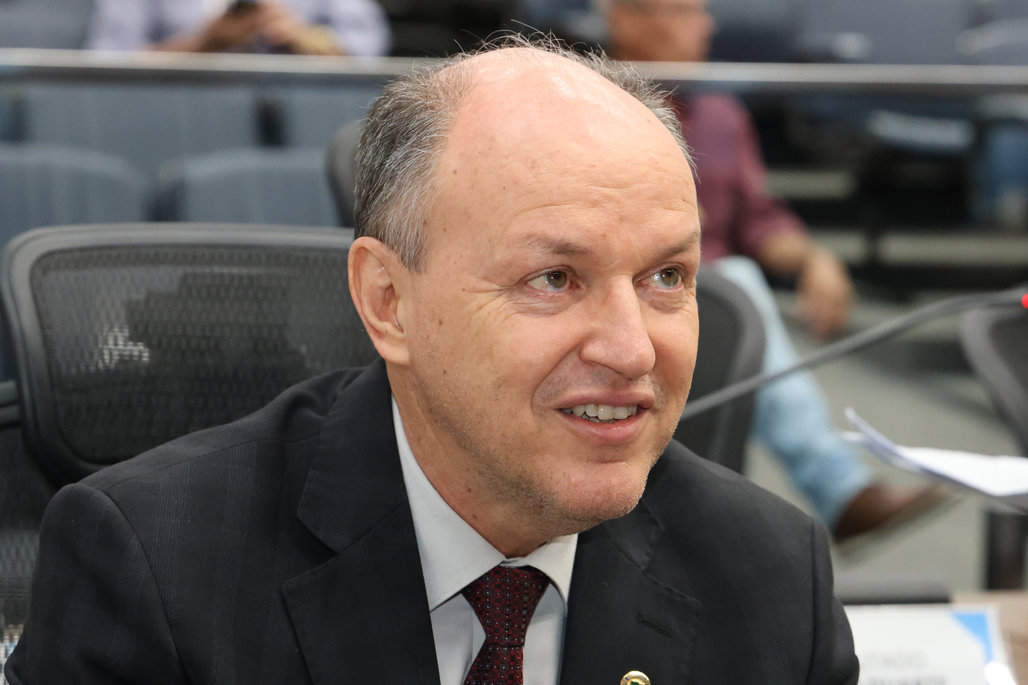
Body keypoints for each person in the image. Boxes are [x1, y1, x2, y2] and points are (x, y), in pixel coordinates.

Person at [5, 37, 859, 684]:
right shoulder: (152, 569)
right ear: (388, 301)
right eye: (554, 279)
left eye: (666, 277)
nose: (633, 348)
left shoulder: (772, 576)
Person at [599, 0, 943, 542]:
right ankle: (840, 490)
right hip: (627, 296)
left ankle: (825, 495)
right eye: (681, 11)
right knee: (739, 282)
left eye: (702, 11)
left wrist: (812, 259)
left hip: (711, 299)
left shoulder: (721, 114)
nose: (703, 25)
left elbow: (758, 219)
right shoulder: (589, 109)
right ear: (625, 18)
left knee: (737, 284)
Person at [85, 0, 391, 57]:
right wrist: (203, 43)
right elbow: (105, 64)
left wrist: (300, 35)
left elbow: (369, 50)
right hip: (172, 115)